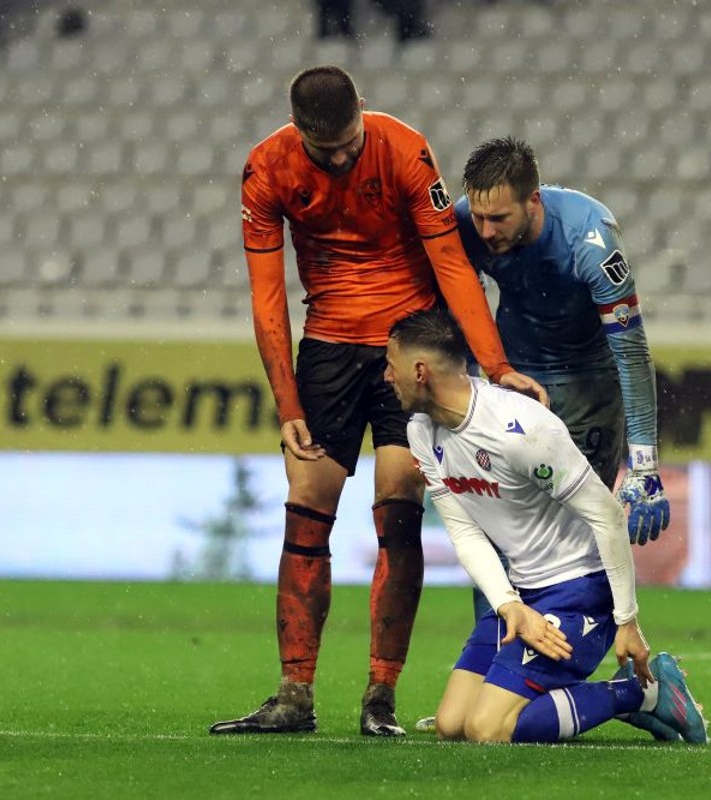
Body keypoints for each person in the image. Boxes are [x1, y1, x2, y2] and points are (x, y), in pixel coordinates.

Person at [208, 65, 545, 738]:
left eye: (346, 142)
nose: (337, 158)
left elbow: (450, 262)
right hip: (328, 347)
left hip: (411, 346)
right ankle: (294, 694)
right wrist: (286, 401)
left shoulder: (404, 149)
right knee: (306, 512)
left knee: (398, 510)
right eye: (322, 148)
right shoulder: (266, 170)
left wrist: (496, 364)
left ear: (363, 109)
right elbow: (267, 296)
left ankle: (379, 697)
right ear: (296, 127)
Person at [413, 136, 672, 734]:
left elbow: (630, 351)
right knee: (496, 530)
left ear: (535, 203)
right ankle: (506, 680)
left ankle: (596, 673)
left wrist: (645, 463)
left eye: (499, 217)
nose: (486, 229)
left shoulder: (591, 237)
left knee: (571, 541)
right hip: (513, 383)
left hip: (586, 394)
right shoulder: (464, 224)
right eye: (477, 216)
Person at [384, 308, 708, 744]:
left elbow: (608, 515)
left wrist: (627, 619)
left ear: (420, 371)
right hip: (524, 594)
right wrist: (508, 606)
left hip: (580, 590)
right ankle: (567, 686)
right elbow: (464, 532)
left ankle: (640, 692)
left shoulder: (520, 431)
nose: (386, 376)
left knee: (488, 729)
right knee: (453, 725)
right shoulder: (422, 432)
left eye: (391, 364)